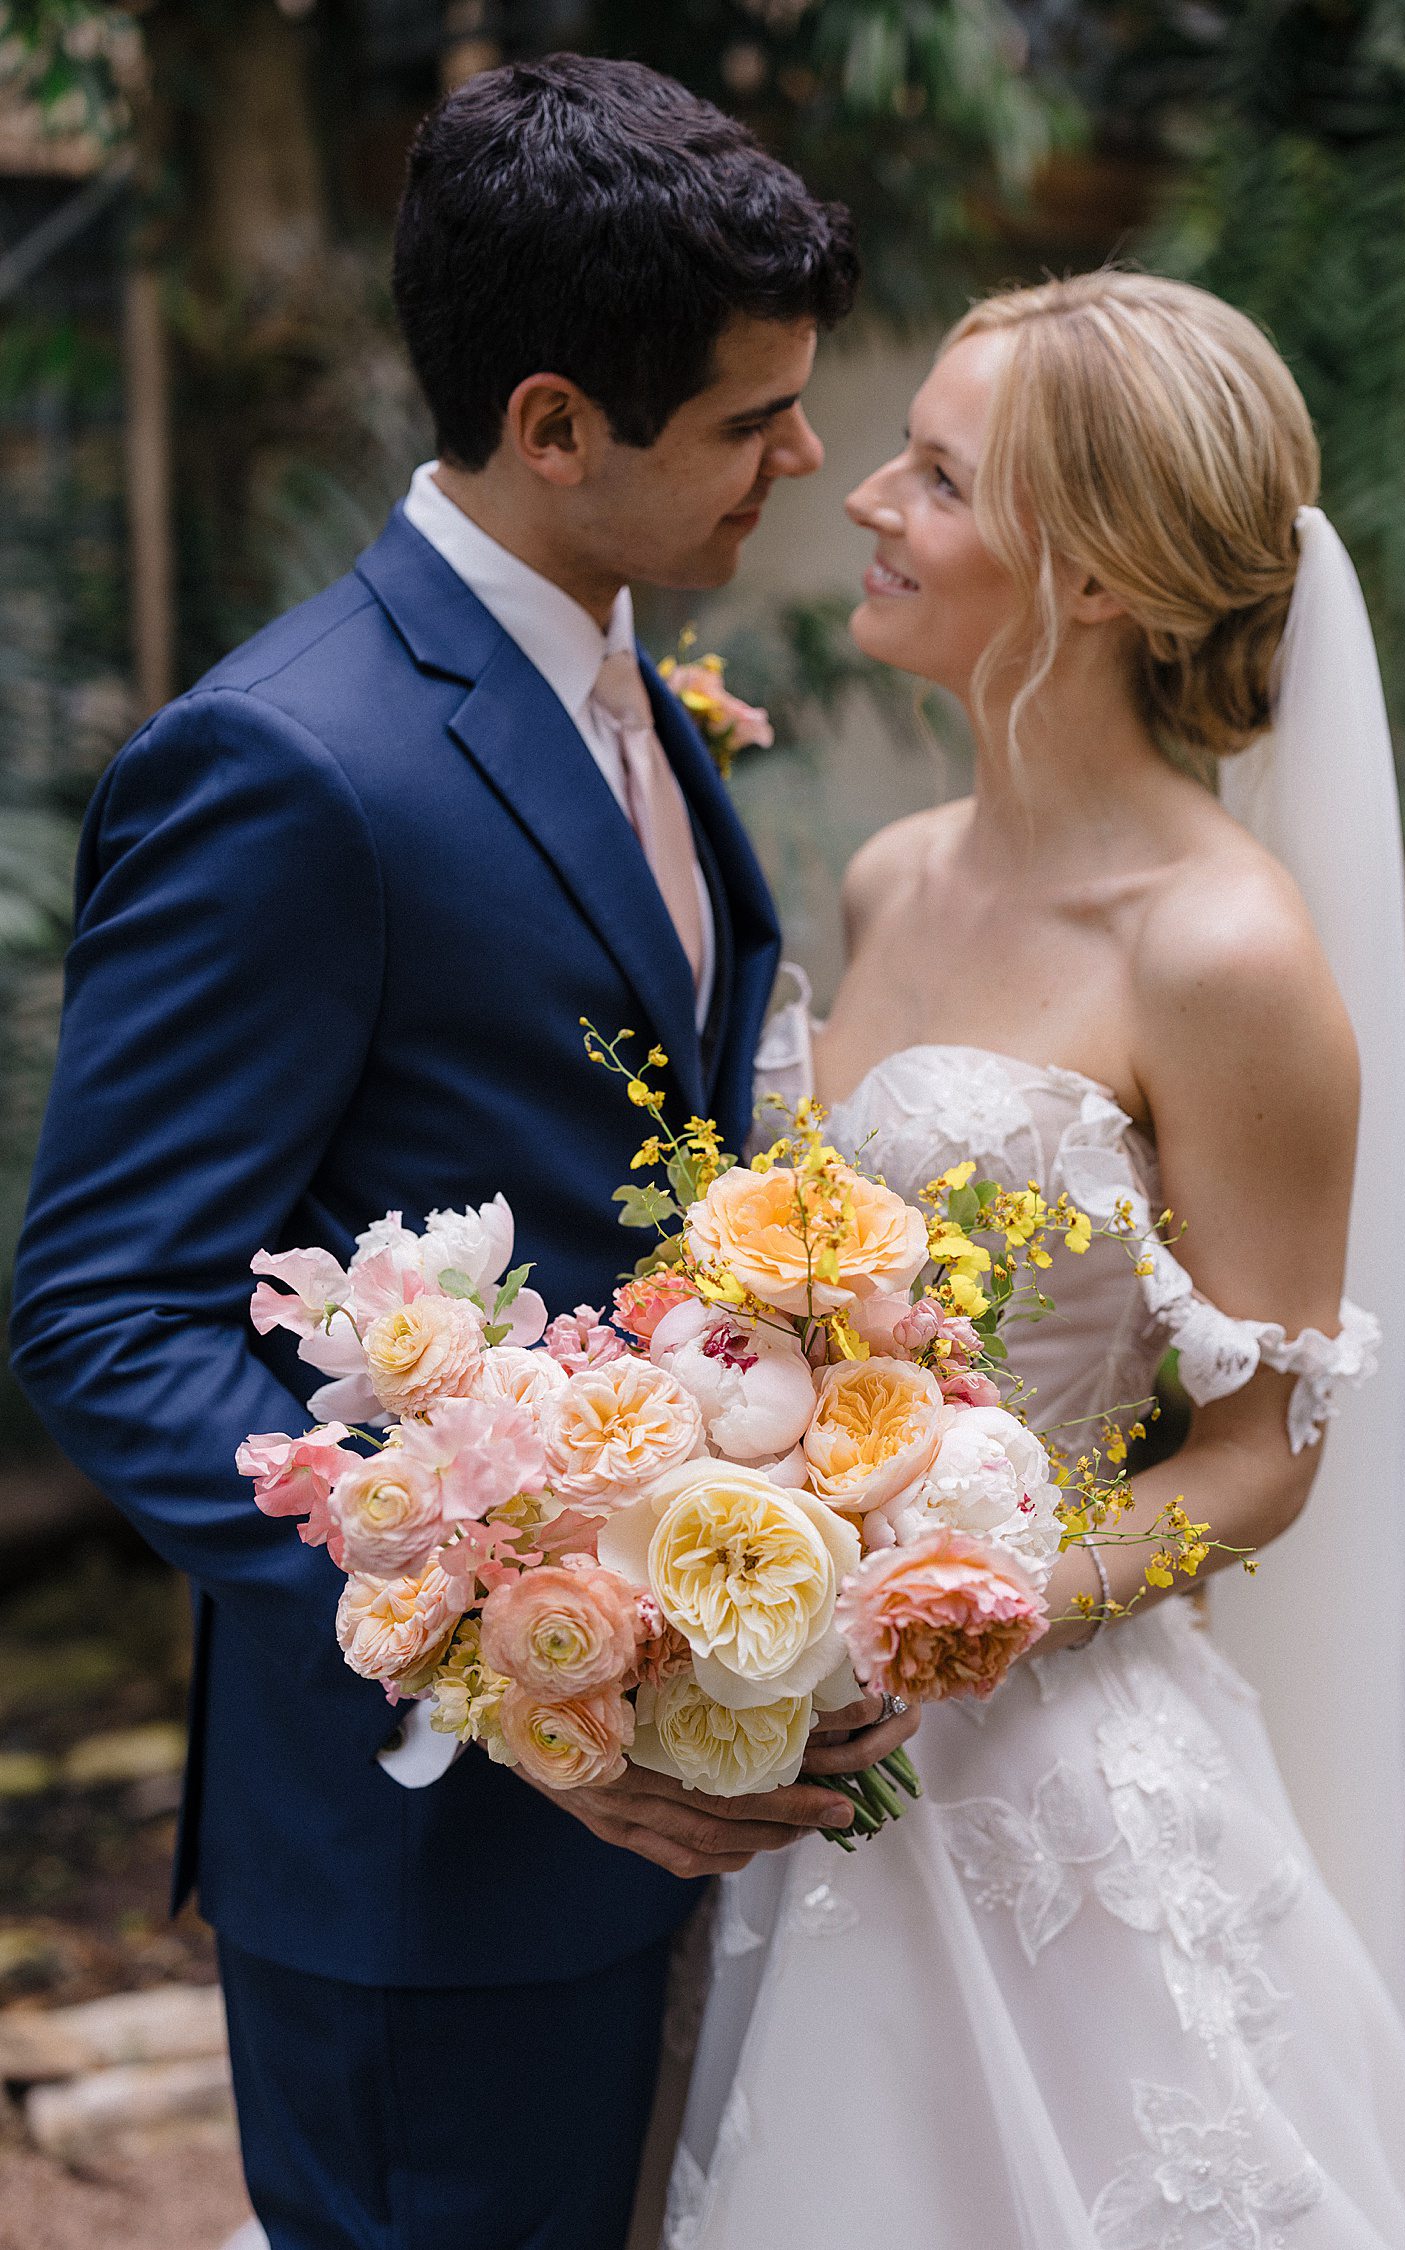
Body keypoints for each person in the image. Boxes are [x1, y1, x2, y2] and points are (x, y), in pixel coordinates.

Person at [8, 54, 917, 2250]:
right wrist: (512, 1670)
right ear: (549, 425)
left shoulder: (622, 688)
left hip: (667, 1808)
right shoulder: (285, 765)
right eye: (747, 421)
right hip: (429, 1852)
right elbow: (108, 1311)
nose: (804, 461)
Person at [666, 272, 1405, 2249]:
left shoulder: (1219, 952)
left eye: (938, 476)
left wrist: (982, 1601)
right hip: (784, 1743)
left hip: (1041, 1771)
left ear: (1097, 578)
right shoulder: (889, 872)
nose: (864, 497)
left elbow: (1265, 1444)